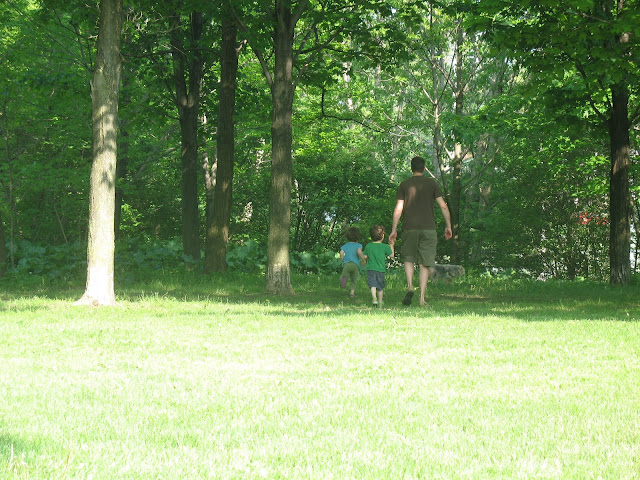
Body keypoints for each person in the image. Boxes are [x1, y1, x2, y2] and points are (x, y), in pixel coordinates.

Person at [389, 156, 452, 306]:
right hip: (428, 228)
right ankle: (422, 298)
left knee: (409, 258)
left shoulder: (404, 184)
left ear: (411, 168)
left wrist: (394, 229)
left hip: (409, 227)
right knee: (425, 263)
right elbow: (443, 206)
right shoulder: (432, 184)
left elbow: (398, 208)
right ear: (424, 169)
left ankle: (410, 285)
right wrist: (448, 225)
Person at [363, 224, 394, 308]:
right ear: (382, 236)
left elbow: (364, 257)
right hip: (381, 270)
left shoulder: (369, 246)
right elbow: (392, 255)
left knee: (372, 284)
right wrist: (391, 245)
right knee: (380, 287)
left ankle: (374, 298)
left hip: (371, 269)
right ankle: (380, 302)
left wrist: (364, 261)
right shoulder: (384, 246)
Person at [339, 227, 366, 298]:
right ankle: (352, 293)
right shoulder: (358, 245)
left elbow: (341, 253)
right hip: (355, 265)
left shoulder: (346, 245)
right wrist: (363, 259)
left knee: (344, 275)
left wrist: (343, 260)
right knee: (354, 280)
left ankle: (343, 279)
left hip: (347, 264)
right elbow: (359, 252)